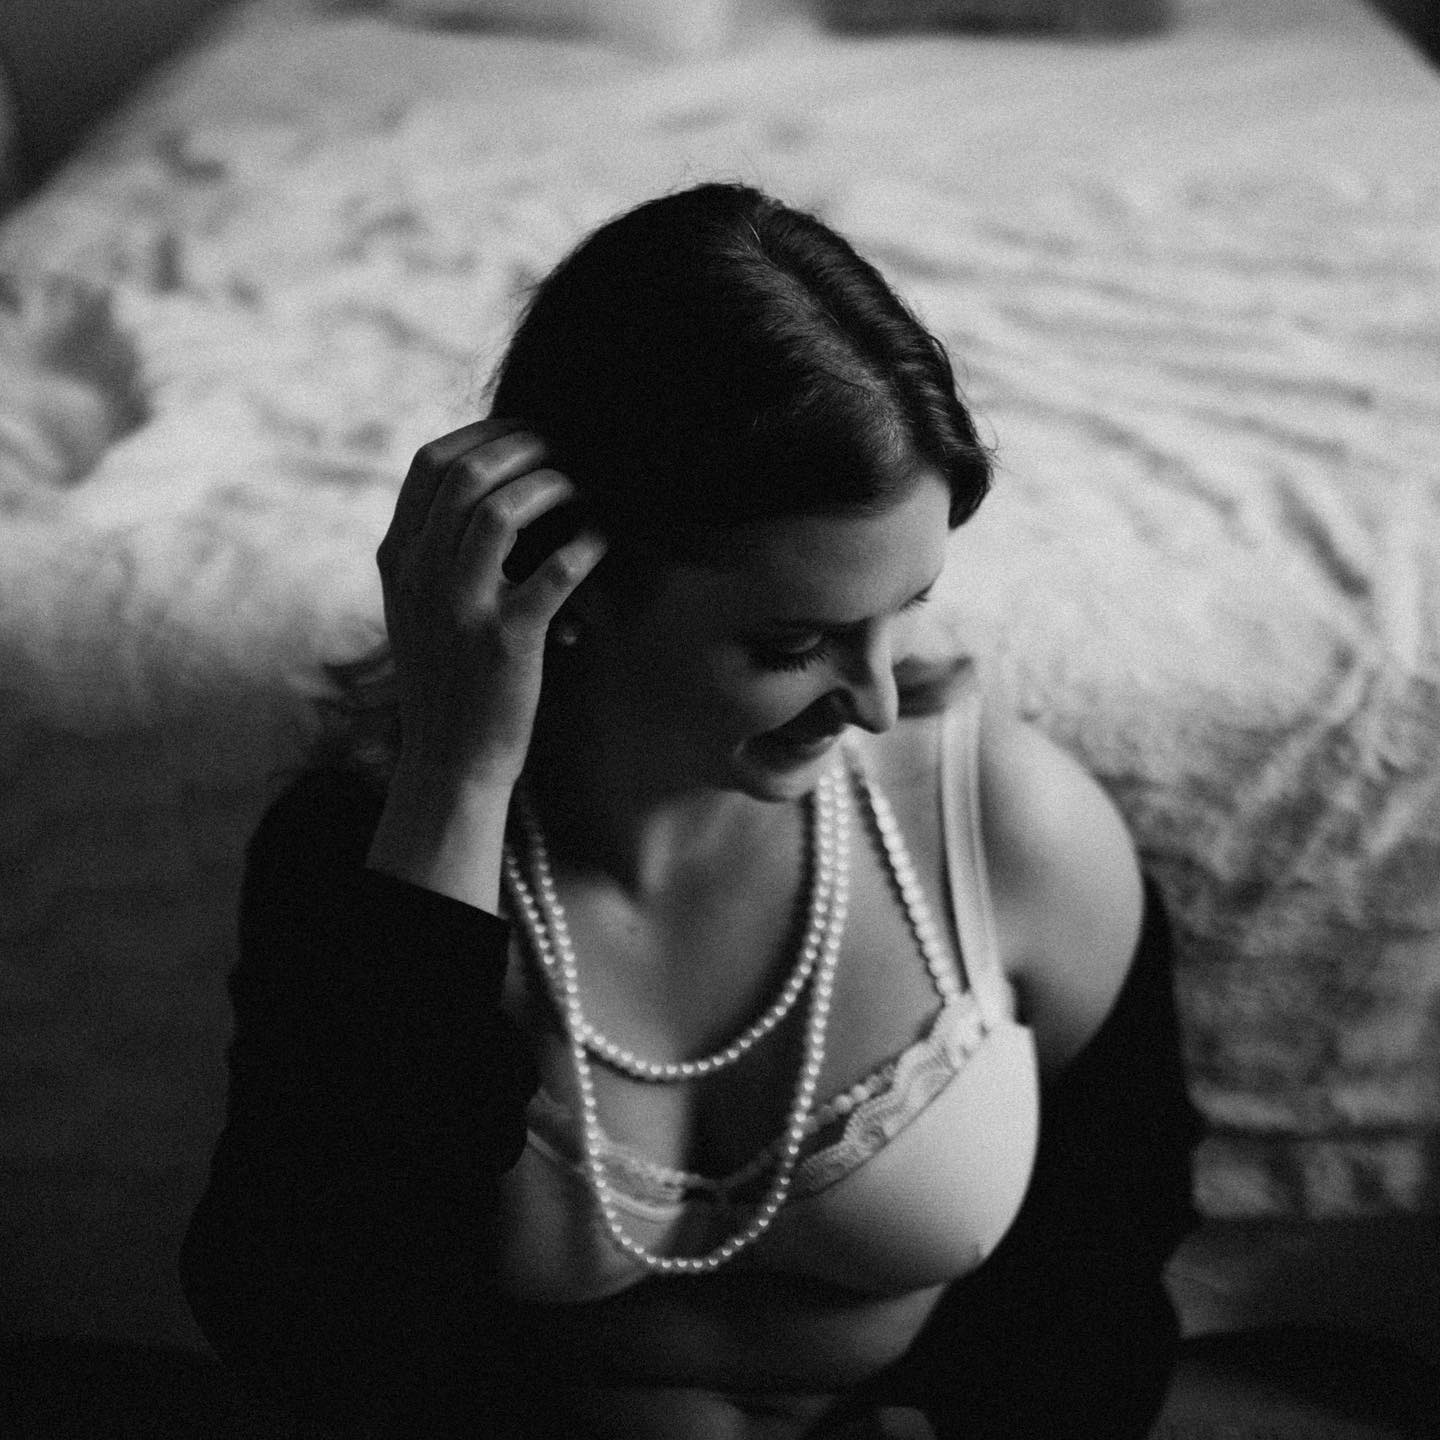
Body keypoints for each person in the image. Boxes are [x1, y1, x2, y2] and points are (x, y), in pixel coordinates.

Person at [180, 182, 1200, 1439]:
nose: (876, 701)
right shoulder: (380, 857)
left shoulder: (1010, 831)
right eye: (794, 643)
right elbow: (309, 1330)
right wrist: (457, 773)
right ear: (579, 584)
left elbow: (1107, 1261)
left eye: (906, 611)